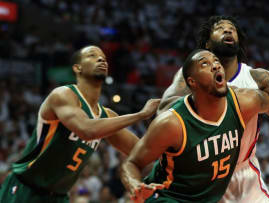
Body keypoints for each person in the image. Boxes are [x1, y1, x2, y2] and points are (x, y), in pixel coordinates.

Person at [158, 16, 269, 202]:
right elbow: (164, 111)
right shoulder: (190, 76)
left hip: (244, 175)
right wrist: (225, 96)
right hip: (202, 178)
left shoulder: (255, 78)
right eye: (220, 28)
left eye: (232, 29)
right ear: (207, 44)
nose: (228, 30)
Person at [120, 49, 269, 203]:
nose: (215, 66)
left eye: (216, 62)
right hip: (169, 198)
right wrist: (135, 185)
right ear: (191, 82)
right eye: (205, 64)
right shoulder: (172, 123)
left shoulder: (244, 101)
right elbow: (131, 164)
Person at [0, 45, 160, 203]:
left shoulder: (106, 115)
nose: (100, 59)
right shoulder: (63, 95)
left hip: (59, 197)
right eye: (92, 55)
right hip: (25, 190)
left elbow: (143, 152)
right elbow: (87, 130)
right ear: (77, 68)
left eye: (104, 58)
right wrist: (141, 115)